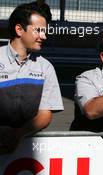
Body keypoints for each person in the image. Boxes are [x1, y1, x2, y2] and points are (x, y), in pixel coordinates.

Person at [0, 1, 63, 154]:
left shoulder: (45, 67)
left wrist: (17, 135)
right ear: (19, 29)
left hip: (26, 149)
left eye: (45, 31)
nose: (44, 36)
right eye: (38, 30)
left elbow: (45, 114)